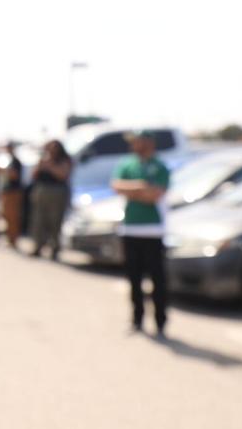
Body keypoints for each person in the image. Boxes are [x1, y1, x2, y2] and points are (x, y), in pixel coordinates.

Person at [111, 130, 170, 336]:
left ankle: (160, 322)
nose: (133, 145)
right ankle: (137, 319)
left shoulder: (159, 166)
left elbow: (155, 194)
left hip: (153, 230)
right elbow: (117, 186)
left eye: (137, 141)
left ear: (147, 142)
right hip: (130, 228)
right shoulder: (127, 164)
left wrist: (135, 192)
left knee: (157, 279)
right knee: (133, 278)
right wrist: (140, 187)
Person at [29, 139, 72, 259]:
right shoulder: (43, 159)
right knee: (38, 220)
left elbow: (63, 175)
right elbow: (33, 175)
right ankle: (38, 246)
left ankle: (55, 247)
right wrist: (41, 165)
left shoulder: (63, 160)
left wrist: (50, 166)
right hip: (42, 191)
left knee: (55, 221)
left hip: (57, 192)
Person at [0, 141, 24, 249]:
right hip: (8, 192)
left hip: (13, 192)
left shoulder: (16, 161)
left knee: (13, 217)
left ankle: (13, 240)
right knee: (7, 216)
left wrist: (5, 172)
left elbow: (15, 176)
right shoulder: (10, 161)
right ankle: (10, 239)